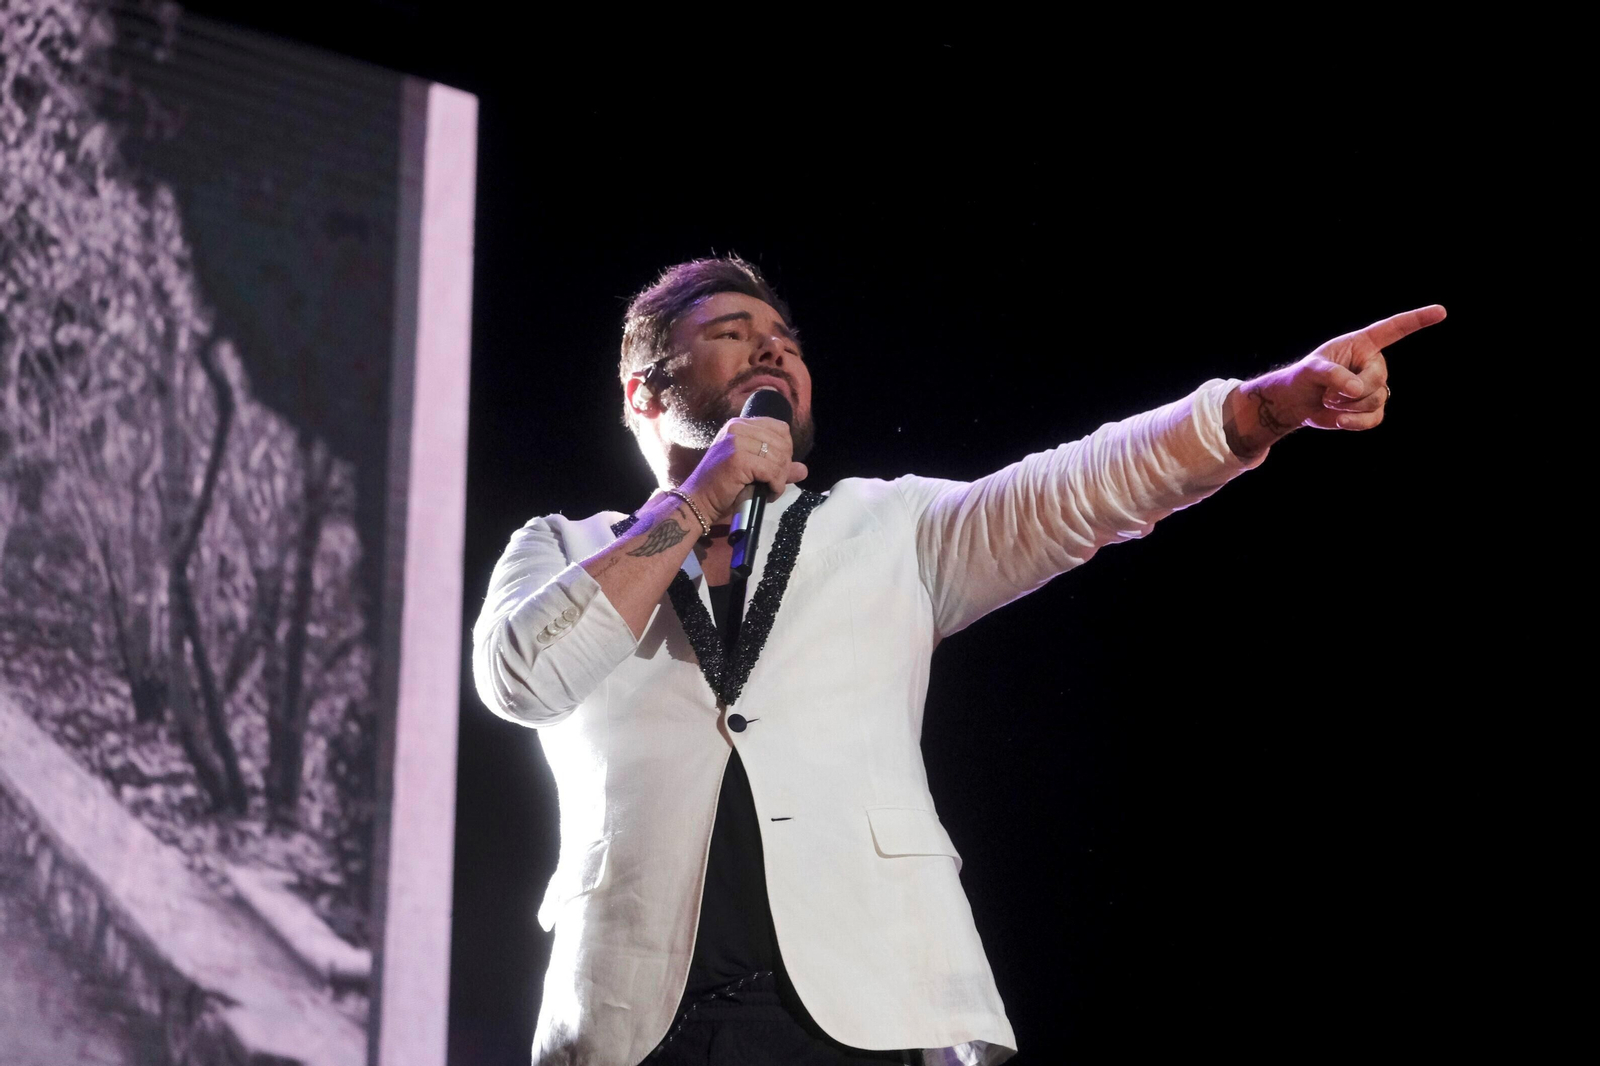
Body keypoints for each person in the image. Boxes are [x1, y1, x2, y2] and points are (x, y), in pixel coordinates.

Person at [471, 256, 1442, 1066]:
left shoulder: (888, 527)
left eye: (786, 336)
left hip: (865, 1012)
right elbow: (522, 679)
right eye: (730, 329)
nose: (774, 345)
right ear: (644, 389)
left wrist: (1262, 408)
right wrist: (696, 501)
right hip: (639, 1022)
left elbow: (1078, 488)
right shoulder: (559, 548)